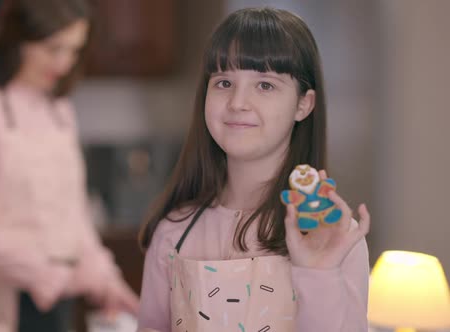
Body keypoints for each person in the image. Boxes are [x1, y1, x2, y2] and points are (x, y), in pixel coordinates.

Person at [137, 7, 370, 332]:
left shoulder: (333, 235)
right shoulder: (172, 233)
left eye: (265, 85)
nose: (237, 102)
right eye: (223, 82)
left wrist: (319, 272)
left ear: (304, 104)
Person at [0, 1, 139, 331]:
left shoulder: (59, 109)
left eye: (74, 50)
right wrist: (50, 274)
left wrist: (108, 281)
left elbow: (74, 214)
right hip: (7, 302)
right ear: (18, 40)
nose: (64, 63)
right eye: (53, 49)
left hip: (62, 300)